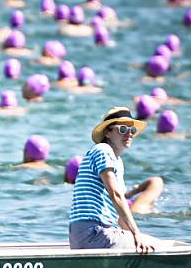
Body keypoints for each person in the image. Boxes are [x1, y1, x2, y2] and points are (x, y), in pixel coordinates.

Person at [68, 107, 159, 252]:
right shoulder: (103, 150)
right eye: (123, 129)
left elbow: (119, 209)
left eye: (132, 130)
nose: (129, 134)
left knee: (149, 242)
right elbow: (115, 195)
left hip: (91, 234)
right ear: (107, 132)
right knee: (156, 246)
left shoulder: (117, 161)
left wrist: (135, 236)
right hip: (94, 233)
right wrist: (136, 234)